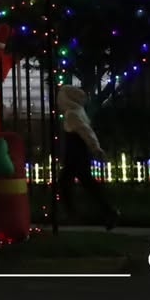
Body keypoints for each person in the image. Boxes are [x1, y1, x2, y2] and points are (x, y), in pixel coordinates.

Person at [56, 85, 120, 229]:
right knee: (86, 184)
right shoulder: (78, 111)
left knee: (67, 183)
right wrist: (94, 147)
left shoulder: (71, 114)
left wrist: (95, 147)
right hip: (80, 153)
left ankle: (73, 214)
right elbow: (87, 131)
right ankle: (108, 211)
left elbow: (86, 131)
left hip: (74, 155)